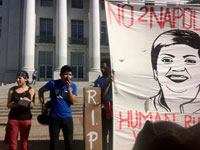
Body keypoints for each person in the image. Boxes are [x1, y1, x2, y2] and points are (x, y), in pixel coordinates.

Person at [145, 29, 200, 113]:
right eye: (167, 60)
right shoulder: (148, 106)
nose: (178, 68)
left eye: (190, 61)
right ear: (155, 71)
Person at [38, 65, 77, 150]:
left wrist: (69, 89)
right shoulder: (53, 83)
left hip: (67, 117)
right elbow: (40, 91)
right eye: (65, 74)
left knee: (69, 143)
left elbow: (73, 101)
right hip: (54, 118)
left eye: (70, 74)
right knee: (54, 143)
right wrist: (43, 105)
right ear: (61, 75)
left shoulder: (73, 86)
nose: (68, 77)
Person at [7, 71, 35, 150]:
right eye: (17, 78)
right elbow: (8, 104)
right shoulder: (12, 90)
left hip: (25, 119)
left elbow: (32, 105)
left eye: (20, 78)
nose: (17, 80)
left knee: (24, 142)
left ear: (25, 79)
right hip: (13, 119)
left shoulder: (31, 90)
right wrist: (17, 104)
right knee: (12, 143)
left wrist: (26, 102)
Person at [94, 60, 113, 150]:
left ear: (109, 67)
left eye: (104, 68)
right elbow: (102, 96)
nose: (102, 69)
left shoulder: (115, 78)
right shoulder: (98, 81)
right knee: (104, 132)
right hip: (104, 110)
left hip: (114, 110)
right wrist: (109, 83)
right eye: (101, 68)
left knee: (113, 133)